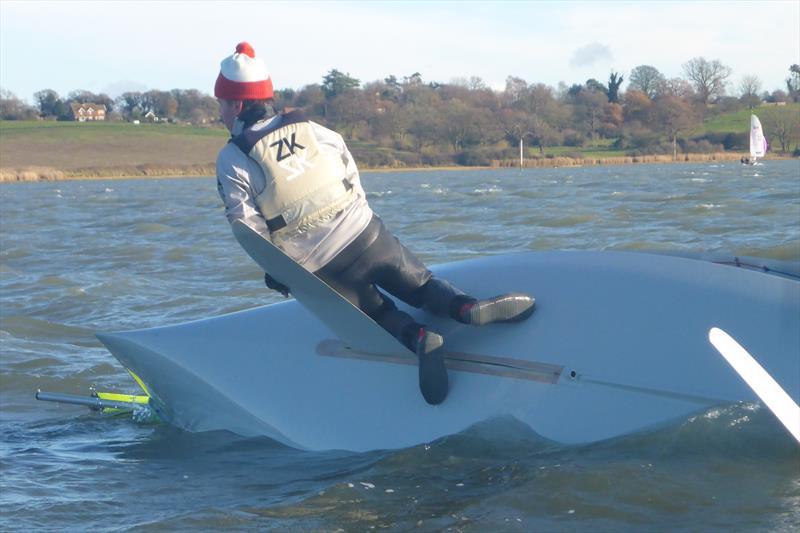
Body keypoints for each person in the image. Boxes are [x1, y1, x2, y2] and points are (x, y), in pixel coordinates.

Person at [214, 42, 535, 405]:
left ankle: (419, 338)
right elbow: (345, 162)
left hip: (321, 267)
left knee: (380, 315)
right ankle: (465, 308)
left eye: (221, 105)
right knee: (422, 284)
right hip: (366, 234)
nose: (221, 114)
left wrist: (280, 271)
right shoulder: (310, 127)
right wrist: (359, 212)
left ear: (237, 104)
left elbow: (246, 227)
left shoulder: (233, 158)